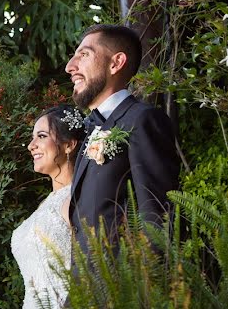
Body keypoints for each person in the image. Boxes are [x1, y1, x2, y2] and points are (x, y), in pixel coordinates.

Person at [65, 24, 181, 255]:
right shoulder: (92, 129)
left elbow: (156, 217)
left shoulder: (142, 120)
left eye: (84, 54)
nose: (70, 67)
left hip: (125, 286)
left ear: (116, 63)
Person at [11, 105, 87, 309]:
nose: (31, 145)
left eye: (41, 136)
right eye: (32, 137)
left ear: (69, 144)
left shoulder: (79, 199)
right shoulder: (46, 204)